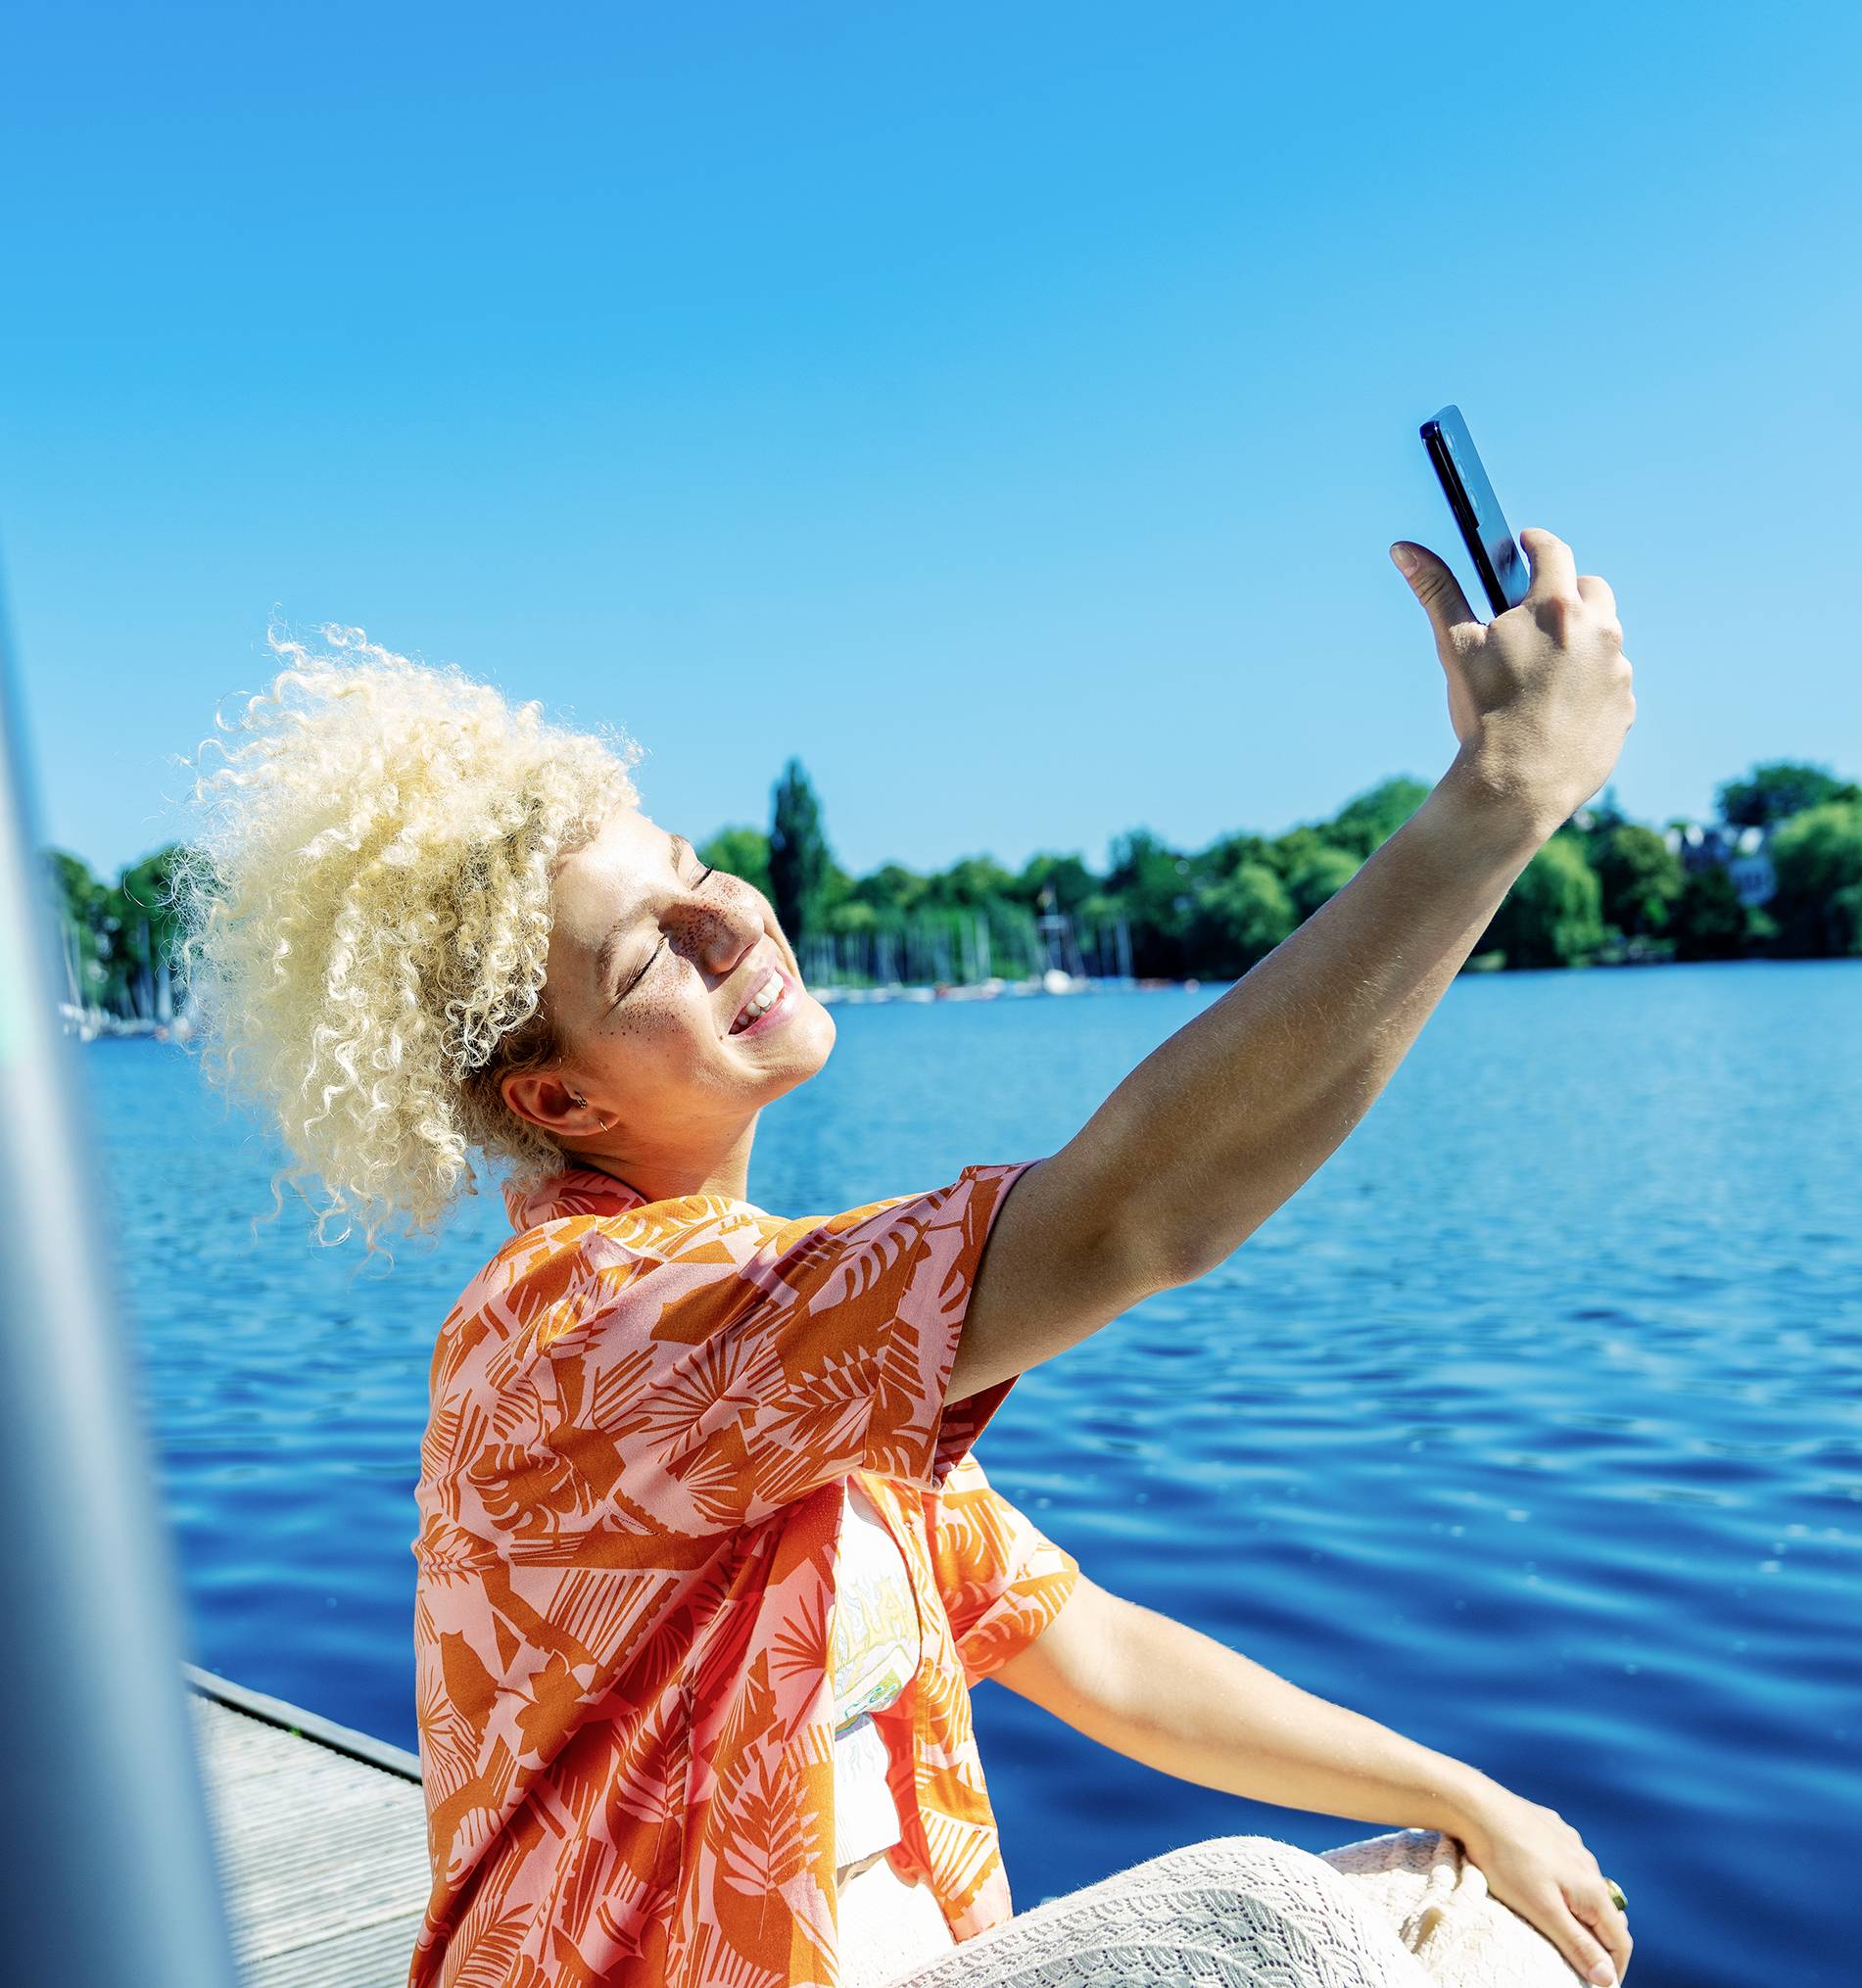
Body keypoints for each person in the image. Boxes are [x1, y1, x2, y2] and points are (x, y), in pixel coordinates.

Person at [175, 527, 1639, 1988]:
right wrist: (1497, 796)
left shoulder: (770, 1340)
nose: (726, 917)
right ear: (558, 1102)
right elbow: (1133, 1214)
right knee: (1277, 1926)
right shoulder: (581, 1334)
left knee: (1480, 1901)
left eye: (692, 871)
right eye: (647, 956)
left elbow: (1101, 1654)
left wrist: (1466, 1795)